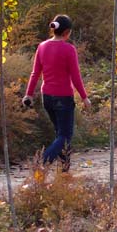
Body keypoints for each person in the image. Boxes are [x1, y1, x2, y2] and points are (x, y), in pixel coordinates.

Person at [23, 14, 91, 171]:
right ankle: (43, 161)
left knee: (60, 135)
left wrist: (29, 94)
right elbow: (75, 76)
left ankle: (65, 170)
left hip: (47, 98)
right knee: (65, 136)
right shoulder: (69, 50)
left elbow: (35, 73)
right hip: (64, 98)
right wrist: (84, 97)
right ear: (67, 32)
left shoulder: (42, 46)